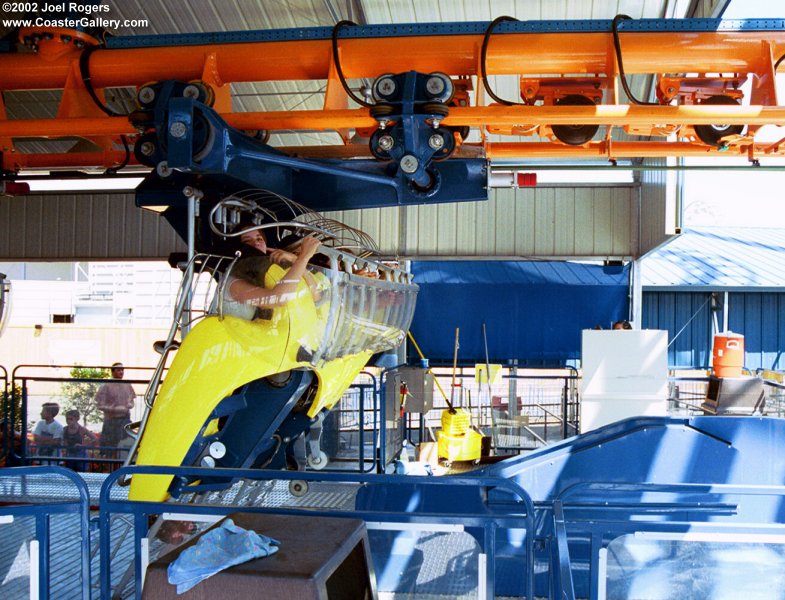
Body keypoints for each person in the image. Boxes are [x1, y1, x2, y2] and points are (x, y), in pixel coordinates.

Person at [223, 229, 323, 319]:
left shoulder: (266, 275)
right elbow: (278, 299)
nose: (256, 243)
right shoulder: (233, 281)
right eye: (247, 241)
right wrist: (303, 257)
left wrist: (295, 259)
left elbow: (315, 298)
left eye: (259, 239)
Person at [95, 362, 136, 457]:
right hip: (111, 421)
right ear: (112, 372)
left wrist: (129, 404)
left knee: (125, 447)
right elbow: (99, 405)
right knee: (108, 449)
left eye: (122, 370)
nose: (121, 372)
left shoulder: (127, 385)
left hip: (125, 420)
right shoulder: (105, 385)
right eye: (118, 370)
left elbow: (132, 401)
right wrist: (114, 409)